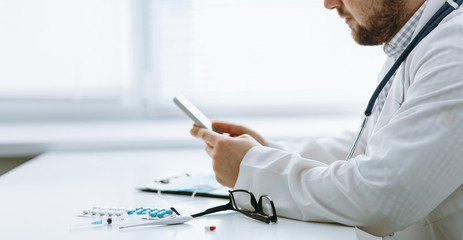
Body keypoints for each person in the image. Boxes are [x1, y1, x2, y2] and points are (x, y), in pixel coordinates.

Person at [190, 0, 463, 239]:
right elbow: (369, 148)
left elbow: (383, 197)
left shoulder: (454, 51)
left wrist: (253, 168)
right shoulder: (417, 41)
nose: (329, 3)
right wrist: (266, 152)